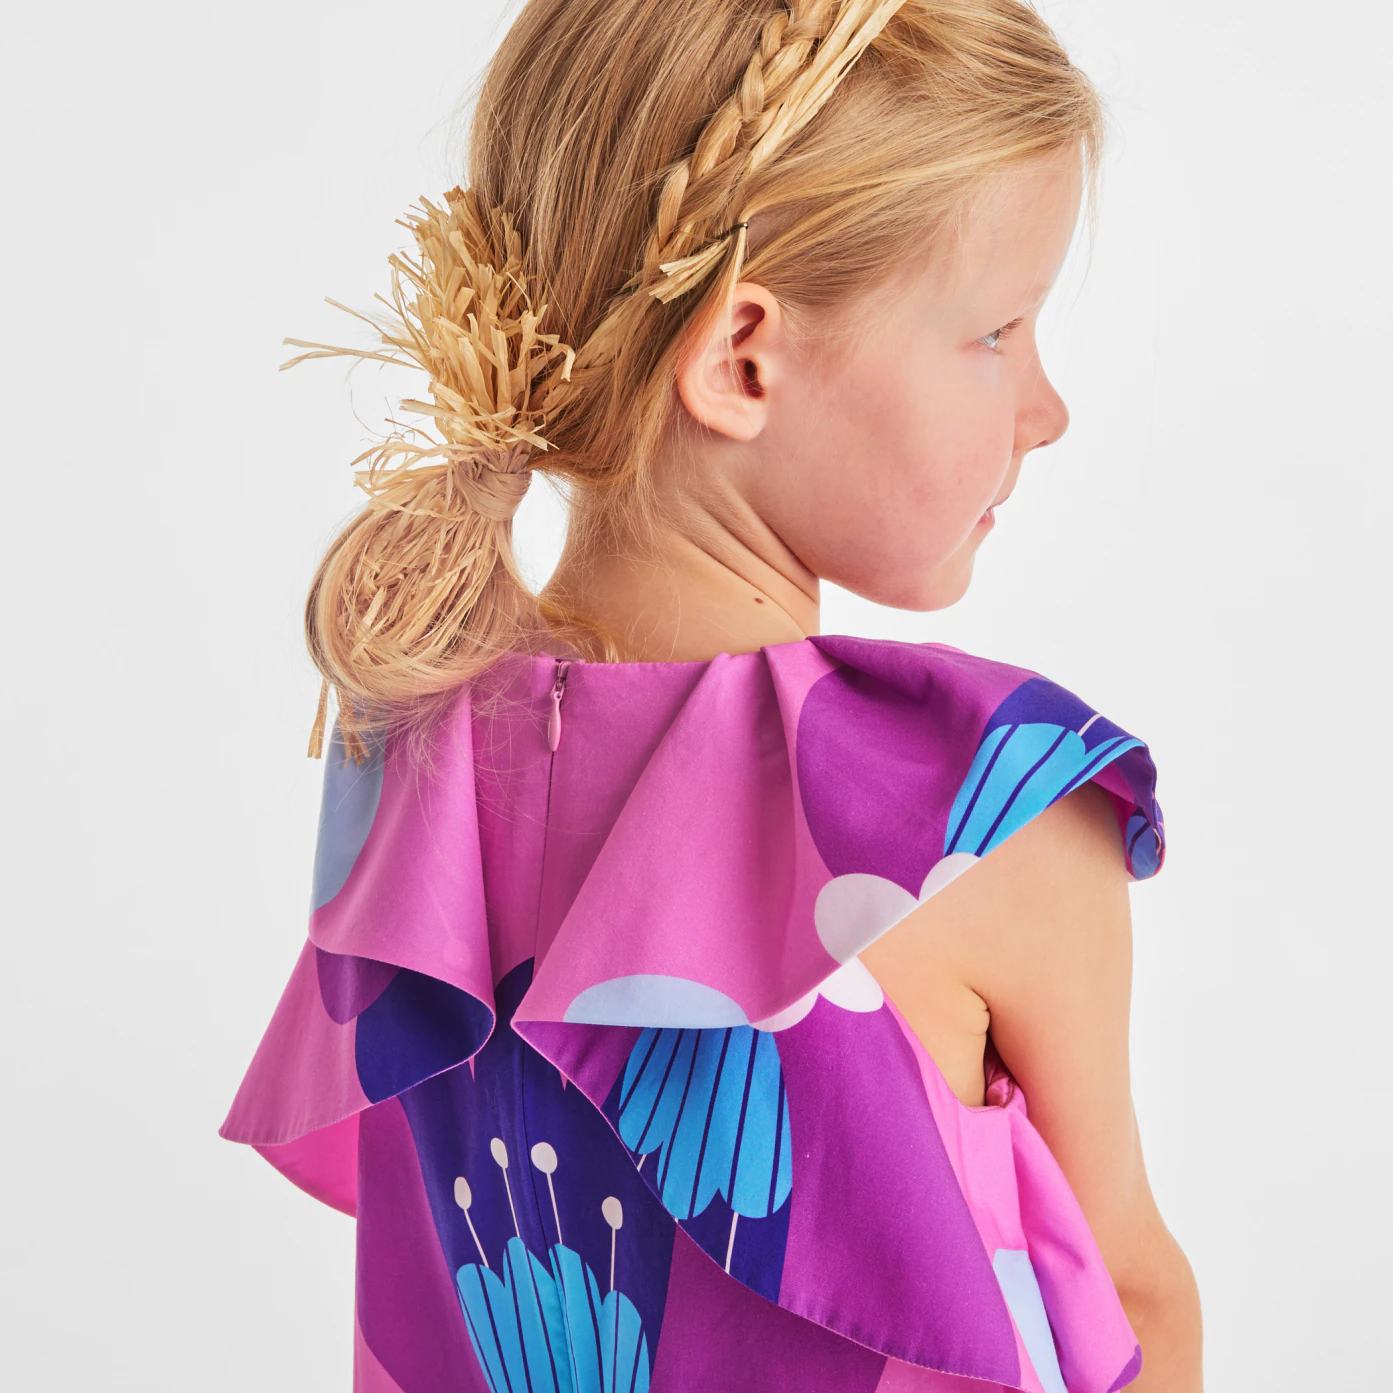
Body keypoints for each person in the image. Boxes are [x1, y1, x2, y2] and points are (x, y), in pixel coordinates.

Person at [222, 1, 1203, 1388]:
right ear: (744, 355)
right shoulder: (981, 816)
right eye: (997, 331)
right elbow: (1134, 1298)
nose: (1047, 410)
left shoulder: (419, 743)